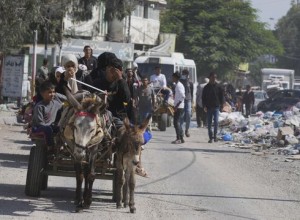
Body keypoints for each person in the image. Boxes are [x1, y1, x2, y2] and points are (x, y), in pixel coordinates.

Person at [31, 81, 66, 152]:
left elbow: (66, 99)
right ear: (42, 94)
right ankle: (50, 147)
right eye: (49, 92)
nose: (52, 94)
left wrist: (57, 94)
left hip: (51, 126)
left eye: (53, 92)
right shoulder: (39, 106)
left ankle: (63, 147)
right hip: (39, 127)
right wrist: (51, 126)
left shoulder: (57, 104)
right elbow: (40, 122)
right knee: (48, 129)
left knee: (64, 128)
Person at [202, 72, 224, 143]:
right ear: (210, 78)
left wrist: (222, 105)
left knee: (216, 123)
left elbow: (221, 97)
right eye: (212, 77)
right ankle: (210, 137)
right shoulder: (206, 87)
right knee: (209, 123)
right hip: (208, 108)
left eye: (215, 77)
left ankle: (215, 137)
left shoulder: (219, 87)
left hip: (216, 107)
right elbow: (203, 98)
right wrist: (204, 106)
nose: (214, 79)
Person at [171, 71, 185, 144]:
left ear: (176, 78)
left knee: (176, 122)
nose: (172, 78)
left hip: (179, 107)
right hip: (178, 106)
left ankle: (178, 138)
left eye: (173, 77)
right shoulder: (177, 85)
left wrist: (176, 106)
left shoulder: (179, 85)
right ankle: (181, 138)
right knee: (177, 122)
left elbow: (183, 96)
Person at [180, 69, 193, 137]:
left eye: (186, 74)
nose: (185, 75)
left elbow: (192, 92)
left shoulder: (190, 82)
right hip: (182, 100)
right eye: (184, 74)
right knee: (181, 116)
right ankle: (181, 131)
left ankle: (187, 129)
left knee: (188, 114)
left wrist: (192, 102)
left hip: (188, 100)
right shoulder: (180, 82)